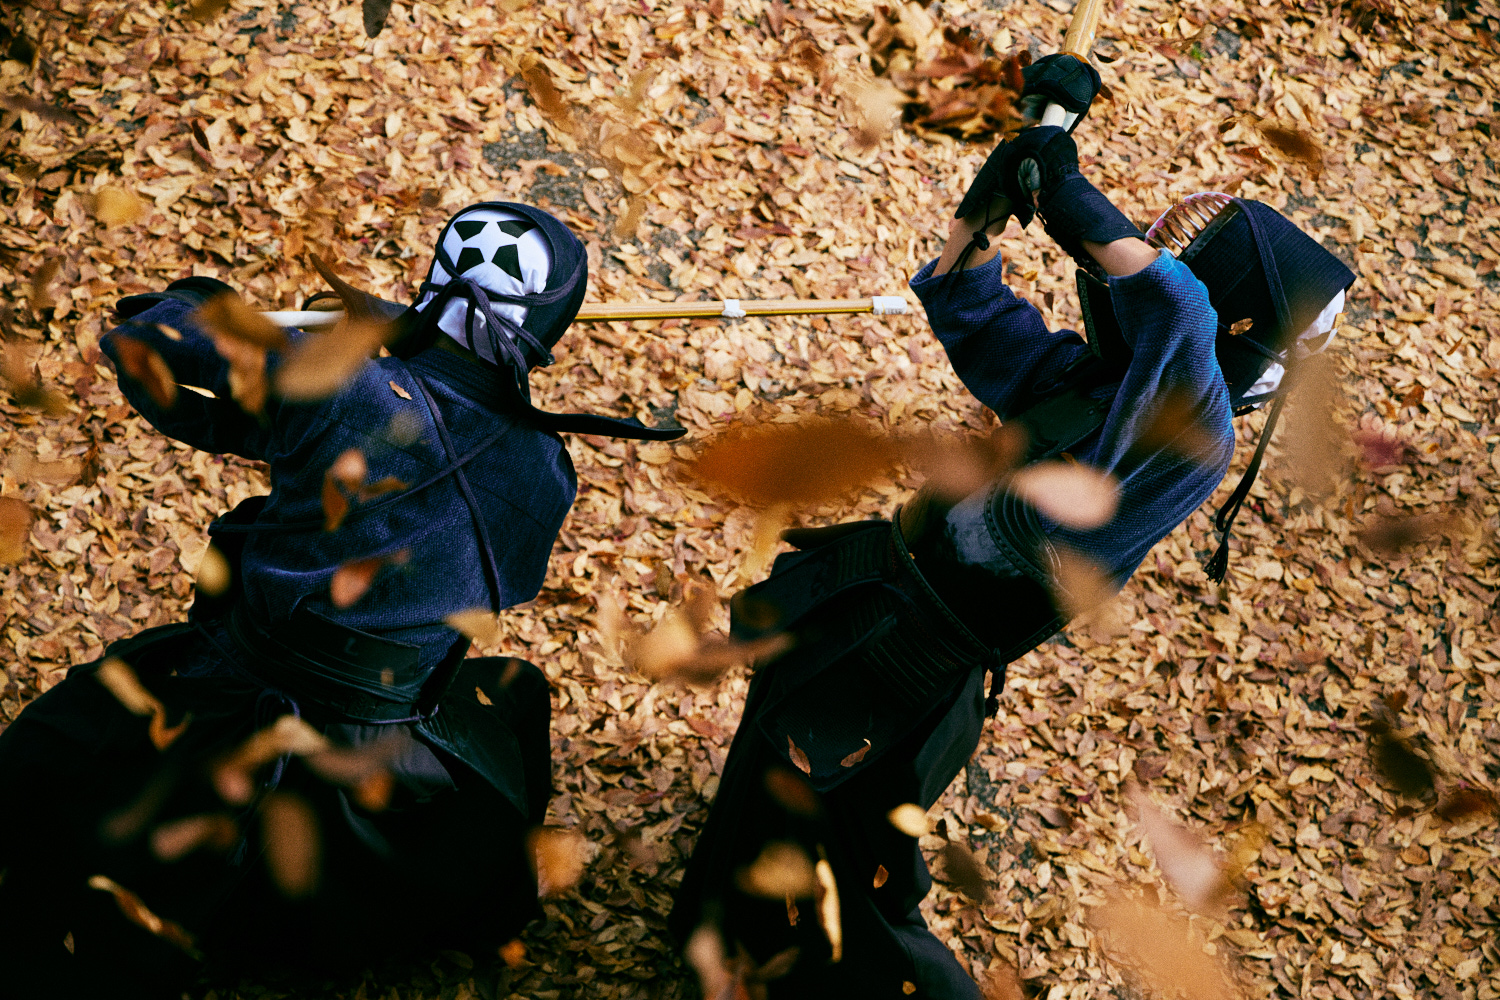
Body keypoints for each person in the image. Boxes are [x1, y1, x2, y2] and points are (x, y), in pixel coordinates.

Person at [668, 55, 1355, 998]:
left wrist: (1062, 183)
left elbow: (1178, 312)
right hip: (873, 591)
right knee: (770, 777)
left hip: (915, 665)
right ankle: (719, 935)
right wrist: (996, 193)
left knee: (846, 864)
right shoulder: (1095, 385)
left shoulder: (1191, 440)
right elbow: (971, 305)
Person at [0, 202, 681, 998]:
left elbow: (146, 345)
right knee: (511, 691)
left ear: (433, 289)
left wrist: (199, 304)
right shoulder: (545, 471)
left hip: (233, 689)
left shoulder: (336, 388)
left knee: (54, 762)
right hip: (386, 728)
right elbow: (495, 555)